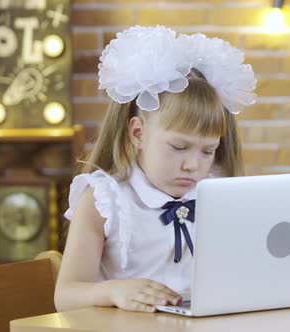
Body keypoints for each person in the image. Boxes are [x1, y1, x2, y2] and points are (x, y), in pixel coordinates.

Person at [54, 26, 257, 313]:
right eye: (178, 147)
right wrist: (112, 291)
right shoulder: (104, 201)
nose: (193, 165)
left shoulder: (217, 195)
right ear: (138, 133)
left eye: (208, 151)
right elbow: (65, 296)